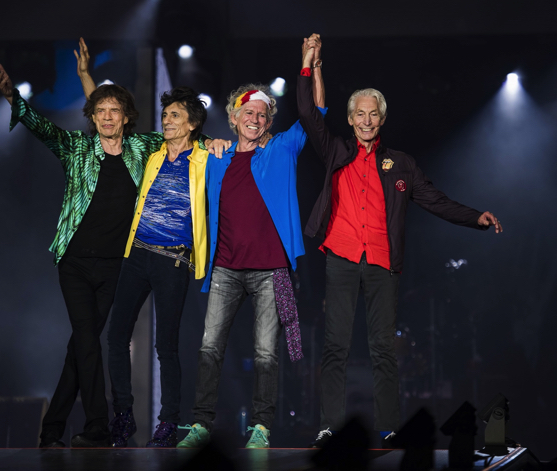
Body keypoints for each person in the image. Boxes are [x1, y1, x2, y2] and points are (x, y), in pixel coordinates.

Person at [296, 34, 504, 447]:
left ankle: (388, 428)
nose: (366, 120)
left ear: (382, 119)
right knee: (336, 345)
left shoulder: (401, 163)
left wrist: (474, 218)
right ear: (350, 119)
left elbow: (435, 199)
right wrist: (308, 62)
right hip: (341, 256)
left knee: (383, 349)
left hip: (382, 262)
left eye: (373, 114)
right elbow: (306, 112)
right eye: (360, 114)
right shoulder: (336, 151)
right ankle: (329, 426)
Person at [0, 63, 168, 447]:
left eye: (114, 111)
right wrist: (12, 96)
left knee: (80, 348)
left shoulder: (143, 147)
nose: (107, 117)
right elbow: (41, 127)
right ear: (92, 116)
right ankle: (98, 426)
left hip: (117, 266)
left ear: (127, 117)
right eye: (100, 111)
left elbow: (181, 136)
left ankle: (52, 430)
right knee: (87, 342)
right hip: (75, 263)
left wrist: (214, 142)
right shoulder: (77, 147)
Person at [75, 39, 231, 448]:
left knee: (166, 345)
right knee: (115, 336)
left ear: (193, 124)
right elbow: (108, 115)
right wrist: (86, 76)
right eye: (164, 115)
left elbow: (237, 156)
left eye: (174, 115)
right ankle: (124, 416)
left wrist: (218, 142)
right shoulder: (151, 151)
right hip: (137, 255)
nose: (166, 121)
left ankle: (168, 422)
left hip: (173, 261)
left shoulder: (207, 156)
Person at [176, 41, 327, 450]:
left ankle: (261, 427)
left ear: (268, 121)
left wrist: (310, 67)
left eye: (262, 114)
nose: (255, 119)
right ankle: (201, 424)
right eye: (248, 112)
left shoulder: (281, 150)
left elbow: (316, 113)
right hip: (224, 268)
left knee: (266, 353)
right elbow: (176, 142)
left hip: (271, 271)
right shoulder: (216, 157)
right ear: (233, 117)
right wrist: (209, 142)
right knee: (209, 347)